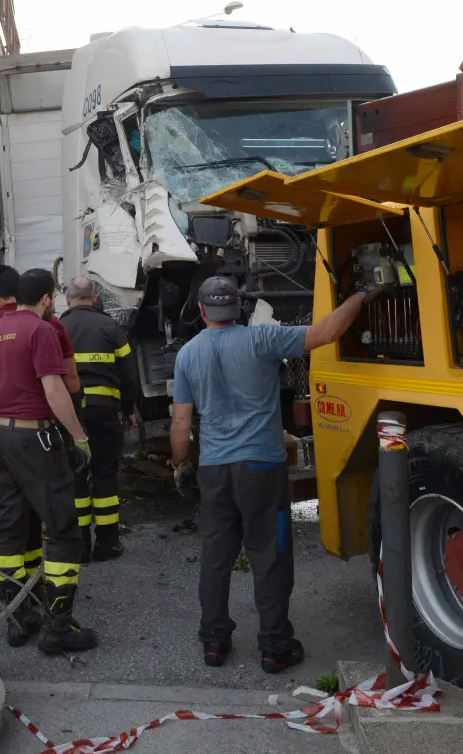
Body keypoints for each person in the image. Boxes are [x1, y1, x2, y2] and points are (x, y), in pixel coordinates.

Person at [170, 274, 374, 674]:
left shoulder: (187, 355)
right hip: (262, 468)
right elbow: (326, 331)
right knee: (271, 555)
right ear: (238, 308)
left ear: (201, 311)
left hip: (214, 469)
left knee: (216, 556)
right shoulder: (260, 340)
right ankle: (275, 647)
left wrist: (180, 464)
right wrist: (363, 293)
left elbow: (181, 422)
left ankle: (214, 641)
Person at [0, 268, 97, 655]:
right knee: (62, 528)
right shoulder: (41, 330)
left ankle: (19, 618)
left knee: (10, 530)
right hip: (35, 437)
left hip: (1, 435)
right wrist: (79, 436)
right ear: (46, 298)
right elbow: (55, 389)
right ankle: (57, 628)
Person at [0, 266, 79, 493]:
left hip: (3, 431)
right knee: (54, 503)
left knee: (12, 506)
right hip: (45, 431)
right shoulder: (51, 324)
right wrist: (75, 429)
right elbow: (70, 379)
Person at [60, 276, 137, 563]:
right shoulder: (111, 327)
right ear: (94, 298)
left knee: (75, 475)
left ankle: (79, 546)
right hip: (105, 412)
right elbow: (129, 375)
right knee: (105, 473)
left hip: (70, 415)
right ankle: (107, 544)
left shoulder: (57, 328)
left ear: (67, 300)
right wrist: (129, 409)